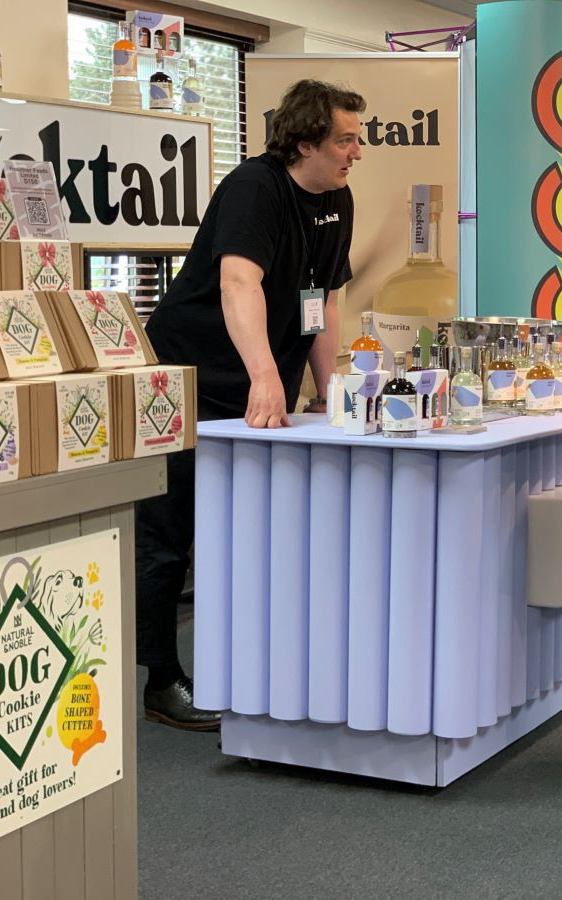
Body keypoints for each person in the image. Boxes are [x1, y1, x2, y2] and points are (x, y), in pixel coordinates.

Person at [136, 80, 365, 729]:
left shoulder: (337, 199)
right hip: (186, 375)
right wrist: (265, 373)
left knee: (244, 529)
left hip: (255, 383)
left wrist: (328, 388)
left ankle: (239, 666)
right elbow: (240, 280)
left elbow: (319, 301)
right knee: (169, 530)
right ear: (304, 142)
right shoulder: (254, 189)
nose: (357, 152)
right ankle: (161, 681)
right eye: (345, 139)